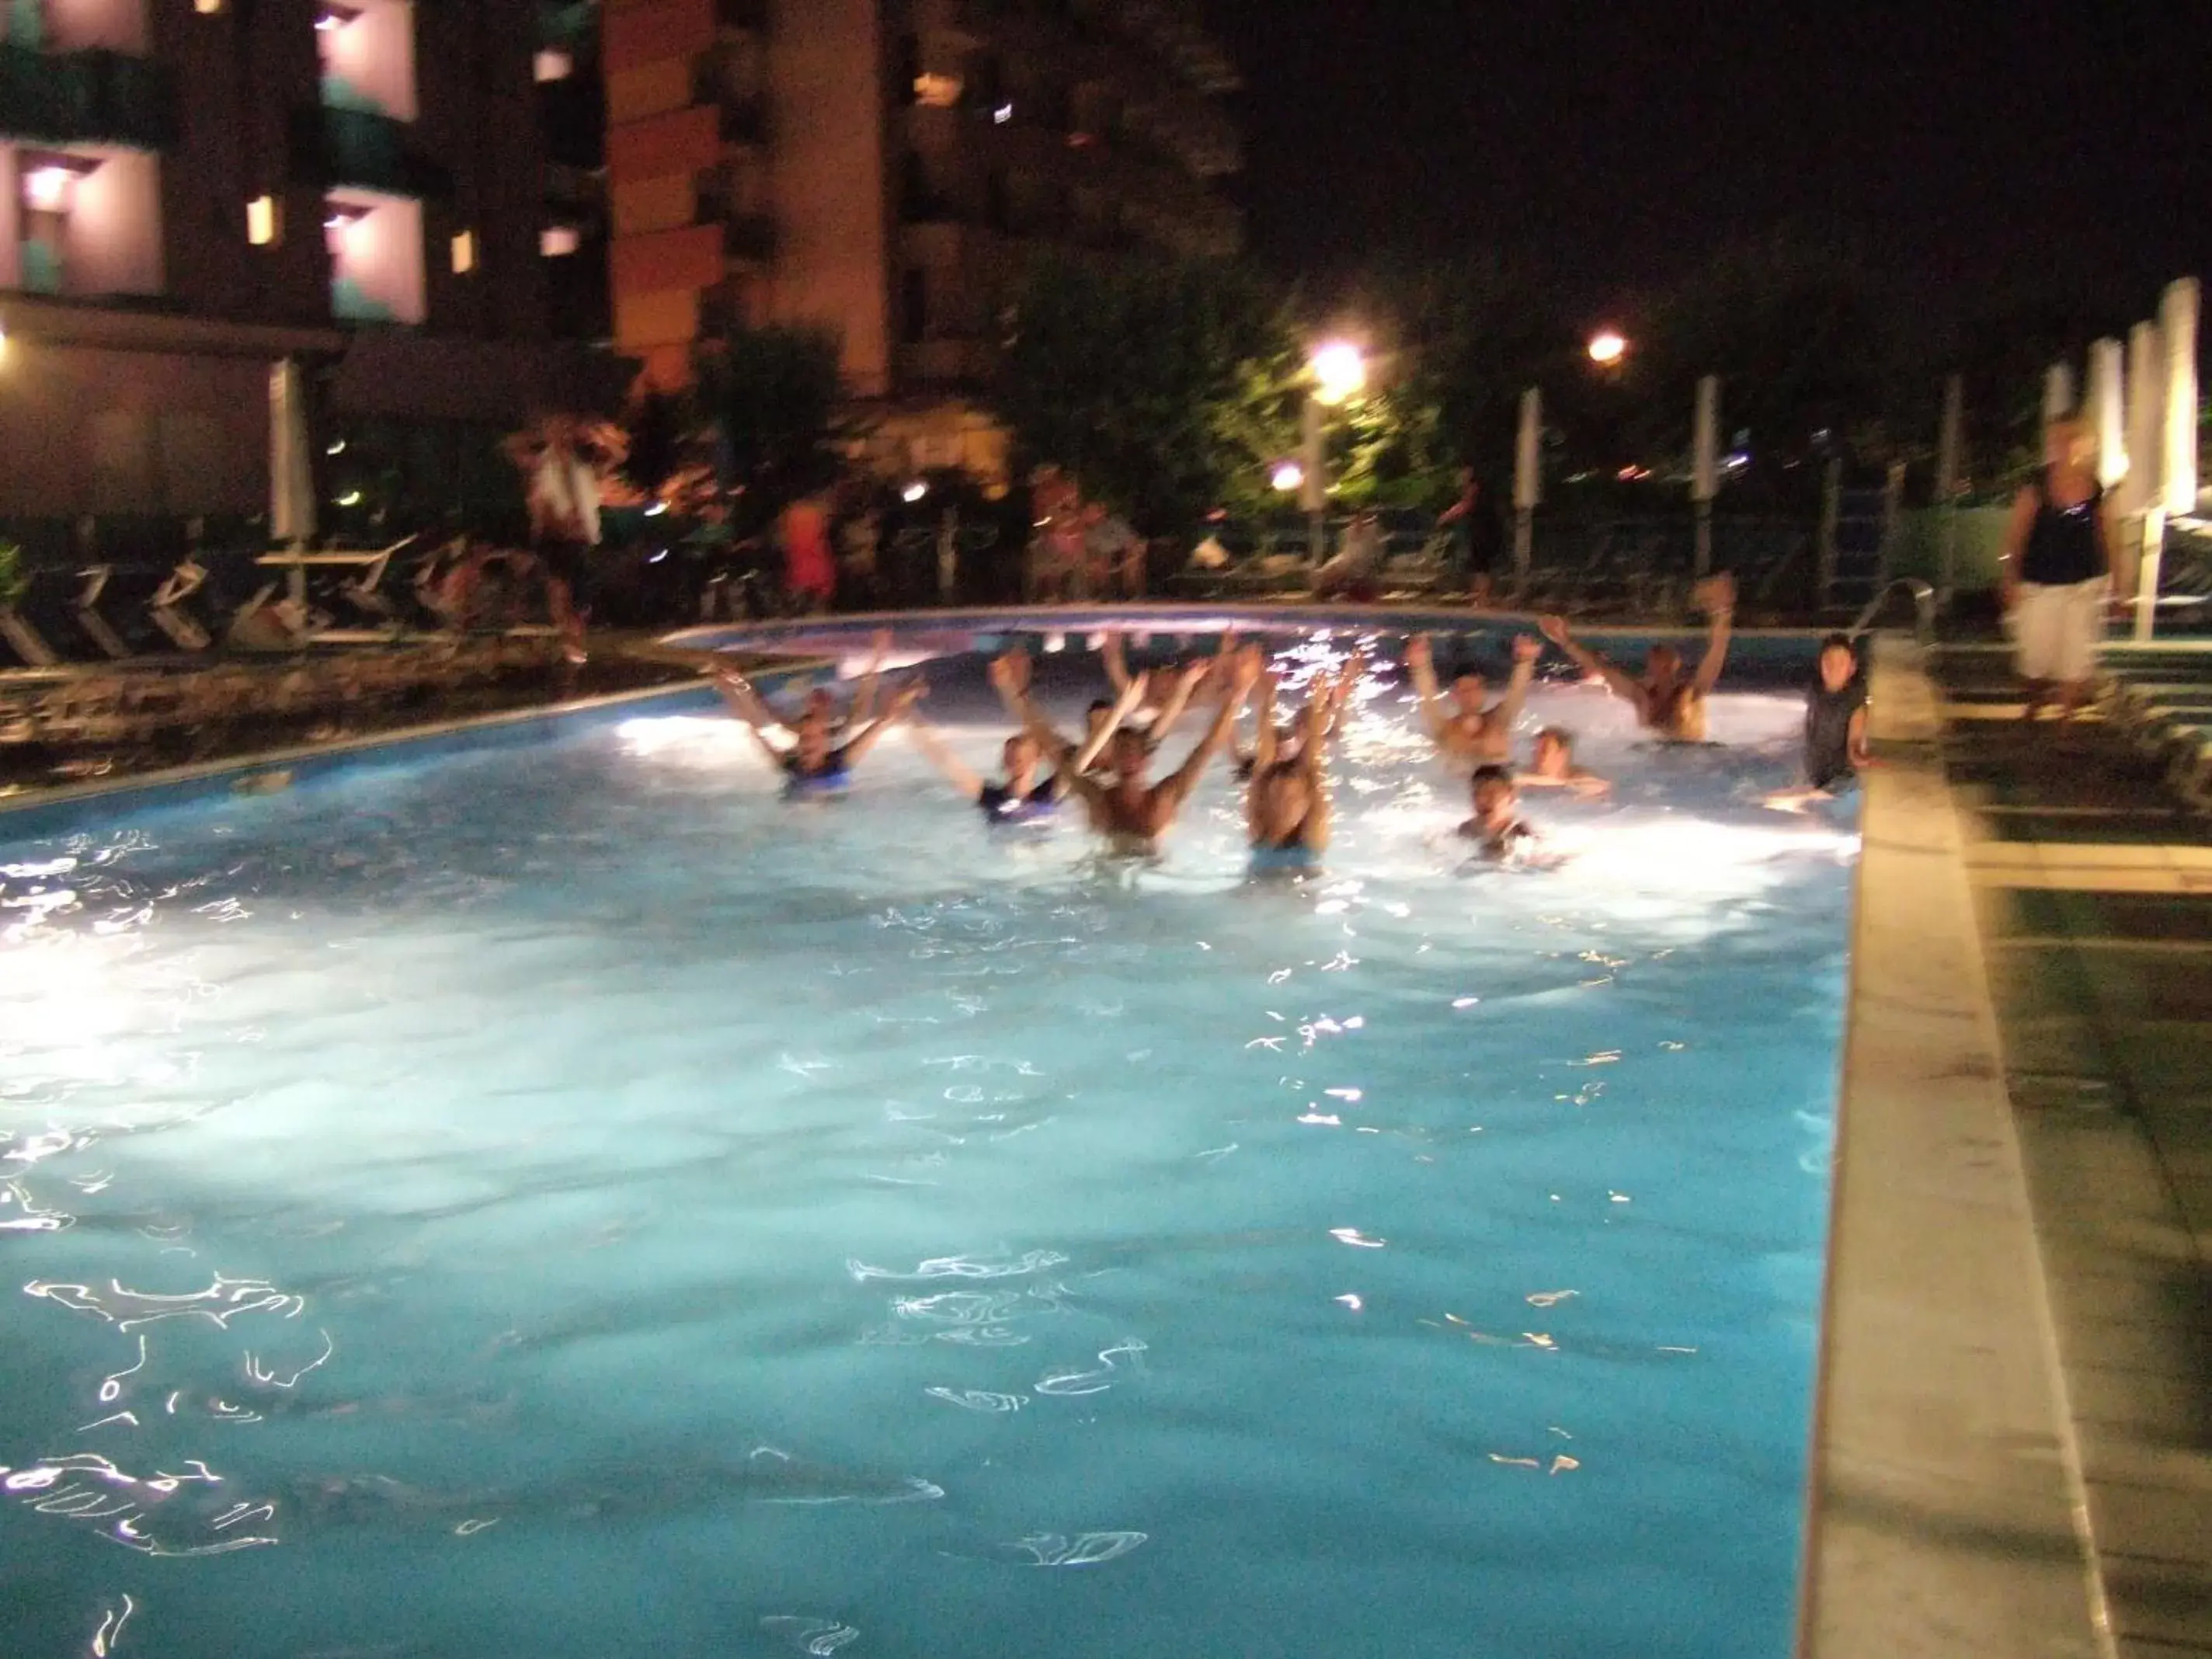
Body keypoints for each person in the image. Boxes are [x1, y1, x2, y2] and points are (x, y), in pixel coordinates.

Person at [1025, 647, 1262, 857]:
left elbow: (1208, 748)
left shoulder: (1165, 797)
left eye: (1130, 750)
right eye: (1120, 751)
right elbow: (1052, 749)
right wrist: (1018, 692)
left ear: (1146, 758)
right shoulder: (1097, 796)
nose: (1125, 756)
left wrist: (1238, 695)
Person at [1999, 416, 2118, 730]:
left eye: (2073, 438)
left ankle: (2066, 716)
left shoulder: (2094, 489)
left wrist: (2120, 582)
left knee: (2076, 653)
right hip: (2040, 582)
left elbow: (2108, 536)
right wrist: (2009, 576)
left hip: (2083, 582)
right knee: (2035, 656)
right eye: (2060, 439)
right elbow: (2017, 535)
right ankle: (2035, 700)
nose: (2066, 446)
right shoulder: (2037, 486)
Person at [1538, 572, 1737, 742]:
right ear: (1651, 667)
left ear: (1675, 666)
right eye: (1657, 663)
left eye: (1665, 664)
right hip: (1654, 757)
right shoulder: (1641, 695)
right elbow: (1600, 668)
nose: (1661, 669)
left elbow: (1717, 650)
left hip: (1690, 757)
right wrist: (1565, 641)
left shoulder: (1692, 693)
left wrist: (1721, 613)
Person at [503, 412, 621, 666]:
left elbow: (616, 457)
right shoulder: (542, 463)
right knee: (560, 590)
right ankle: (571, 643)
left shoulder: (583, 463)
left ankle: (574, 640)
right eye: (558, 430)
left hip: (580, 537)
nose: (564, 435)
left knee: (578, 597)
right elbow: (511, 448)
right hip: (555, 536)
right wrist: (541, 437)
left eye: (567, 430)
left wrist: (602, 436)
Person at [714, 665, 919, 798]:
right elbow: (753, 726)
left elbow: (883, 722)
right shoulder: (790, 763)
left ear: (825, 742)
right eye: (803, 738)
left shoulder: (840, 762)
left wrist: (907, 693)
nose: (806, 743)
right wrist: (732, 689)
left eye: (811, 738)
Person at [1246, 661, 1357, 875]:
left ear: (1307, 803)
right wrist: (1268, 697)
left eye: (1292, 799)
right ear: (1265, 802)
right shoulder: (1258, 830)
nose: (1283, 805)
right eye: (1277, 797)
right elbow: (1263, 763)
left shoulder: (1312, 837)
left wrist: (1318, 704)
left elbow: (1314, 763)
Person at [1765, 634, 1871, 812]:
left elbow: (1855, 741)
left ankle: (1806, 797)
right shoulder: (1815, 692)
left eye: (1841, 663)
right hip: (1818, 772)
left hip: (1841, 782)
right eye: (1828, 661)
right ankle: (1805, 795)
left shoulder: (1855, 703)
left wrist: (1858, 756)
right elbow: (1811, 736)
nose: (1833, 668)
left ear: (1851, 668)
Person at [1406, 631, 1540, 767]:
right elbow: (1428, 700)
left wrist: (1526, 661)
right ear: (1455, 695)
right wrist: (1420, 666)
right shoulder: (1444, 729)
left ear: (1484, 691)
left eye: (1476, 688)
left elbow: (1517, 694)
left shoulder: (1499, 721)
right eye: (1465, 690)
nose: (1471, 694)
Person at [1437, 470, 1503, 607]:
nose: (1461, 479)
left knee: (1481, 567)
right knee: (1479, 567)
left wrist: (1446, 517)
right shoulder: (1480, 492)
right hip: (1484, 531)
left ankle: (1482, 599)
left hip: (1484, 532)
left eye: (1464, 476)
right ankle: (1480, 598)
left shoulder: (1474, 490)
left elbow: (1464, 506)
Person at [1459, 764, 1536, 861]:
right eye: (1477, 793)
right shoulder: (1466, 829)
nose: (1482, 800)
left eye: (1491, 794)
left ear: (1511, 798)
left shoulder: (1520, 833)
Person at [779, 493, 837, 614]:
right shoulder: (820, 511)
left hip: (802, 569)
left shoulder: (791, 513)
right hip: (815, 568)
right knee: (817, 608)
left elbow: (784, 541)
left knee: (802, 608)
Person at [1312, 511, 1384, 600]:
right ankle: (1321, 592)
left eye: (1361, 519)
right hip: (1346, 560)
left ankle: (1329, 589)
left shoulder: (1370, 533)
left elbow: (1367, 555)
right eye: (1356, 520)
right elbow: (1345, 554)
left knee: (1337, 568)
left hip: (1357, 564)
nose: (1358, 522)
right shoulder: (1348, 533)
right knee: (1325, 571)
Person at [1518, 727, 1610, 797]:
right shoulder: (1525, 774)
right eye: (1535, 750)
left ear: (1562, 753)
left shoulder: (1580, 778)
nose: (1537, 755)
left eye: (1544, 750)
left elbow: (1601, 788)